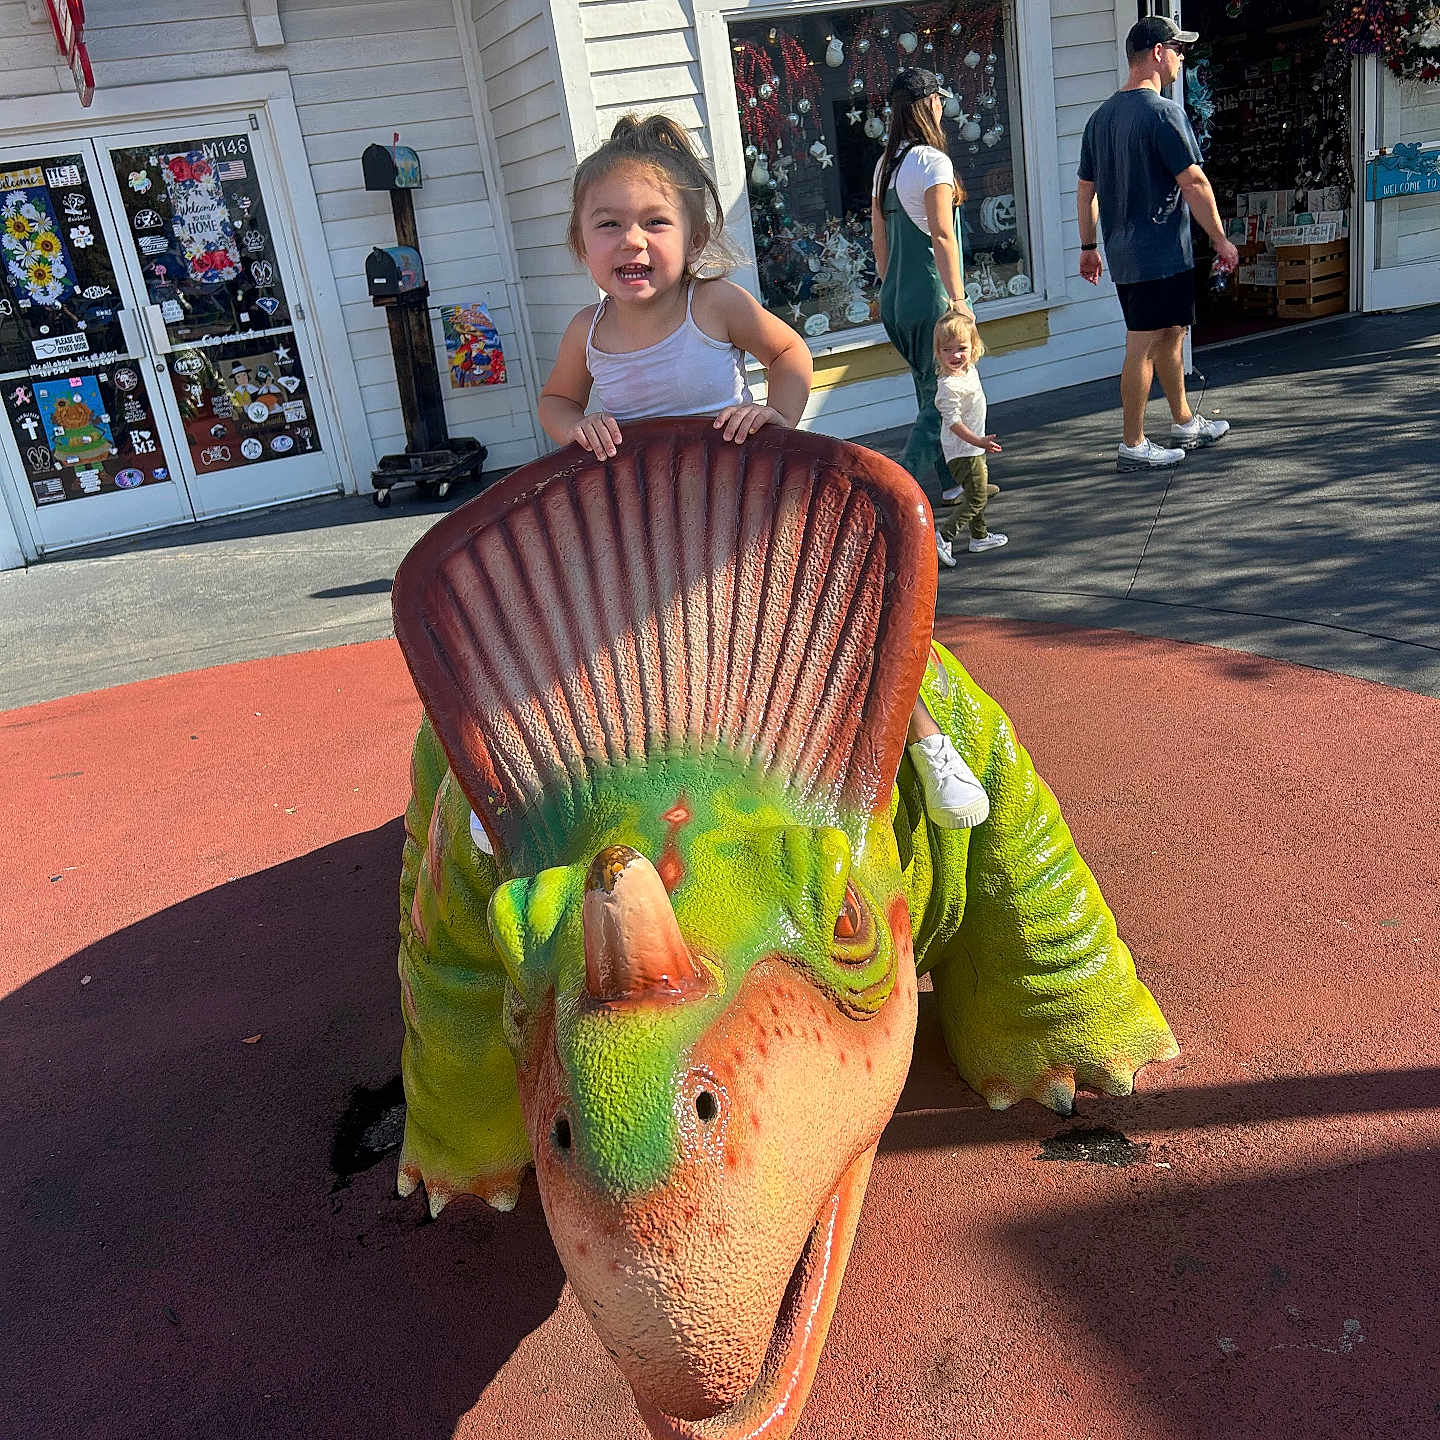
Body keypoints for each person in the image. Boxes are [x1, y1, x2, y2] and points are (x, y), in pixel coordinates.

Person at [538, 113, 812, 456]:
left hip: (734, 489)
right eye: (609, 223)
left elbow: (789, 352)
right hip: (644, 500)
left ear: (694, 241)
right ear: (582, 247)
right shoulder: (586, 331)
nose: (632, 240)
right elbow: (556, 400)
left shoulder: (716, 304)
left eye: (655, 221)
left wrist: (781, 416)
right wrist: (575, 427)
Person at [1076, 15, 1239, 471]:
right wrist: (1222, 240)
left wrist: (1089, 246)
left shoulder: (1100, 119)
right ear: (1157, 52)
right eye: (1179, 49)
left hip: (1136, 253)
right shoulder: (1163, 113)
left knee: (1172, 334)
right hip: (1157, 252)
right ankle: (1133, 445)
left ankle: (1184, 421)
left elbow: (1086, 190)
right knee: (1143, 345)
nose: (1182, 59)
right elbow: (1194, 181)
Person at [870, 67, 974, 537]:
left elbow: (880, 238)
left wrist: (883, 290)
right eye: (939, 98)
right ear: (929, 104)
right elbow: (941, 234)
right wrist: (959, 299)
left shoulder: (885, 163)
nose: (942, 106)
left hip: (894, 293)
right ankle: (901, 489)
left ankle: (951, 480)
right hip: (928, 290)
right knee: (944, 394)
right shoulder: (932, 161)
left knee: (926, 385)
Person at [932, 306, 1005, 565]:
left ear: (973, 348)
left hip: (973, 449)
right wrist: (980, 441)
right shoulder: (948, 387)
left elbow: (968, 328)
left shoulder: (968, 370)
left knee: (977, 493)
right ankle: (944, 537)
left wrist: (959, 306)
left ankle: (979, 536)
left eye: (961, 348)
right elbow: (953, 423)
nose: (955, 355)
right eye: (946, 350)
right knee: (975, 498)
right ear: (938, 353)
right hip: (962, 451)